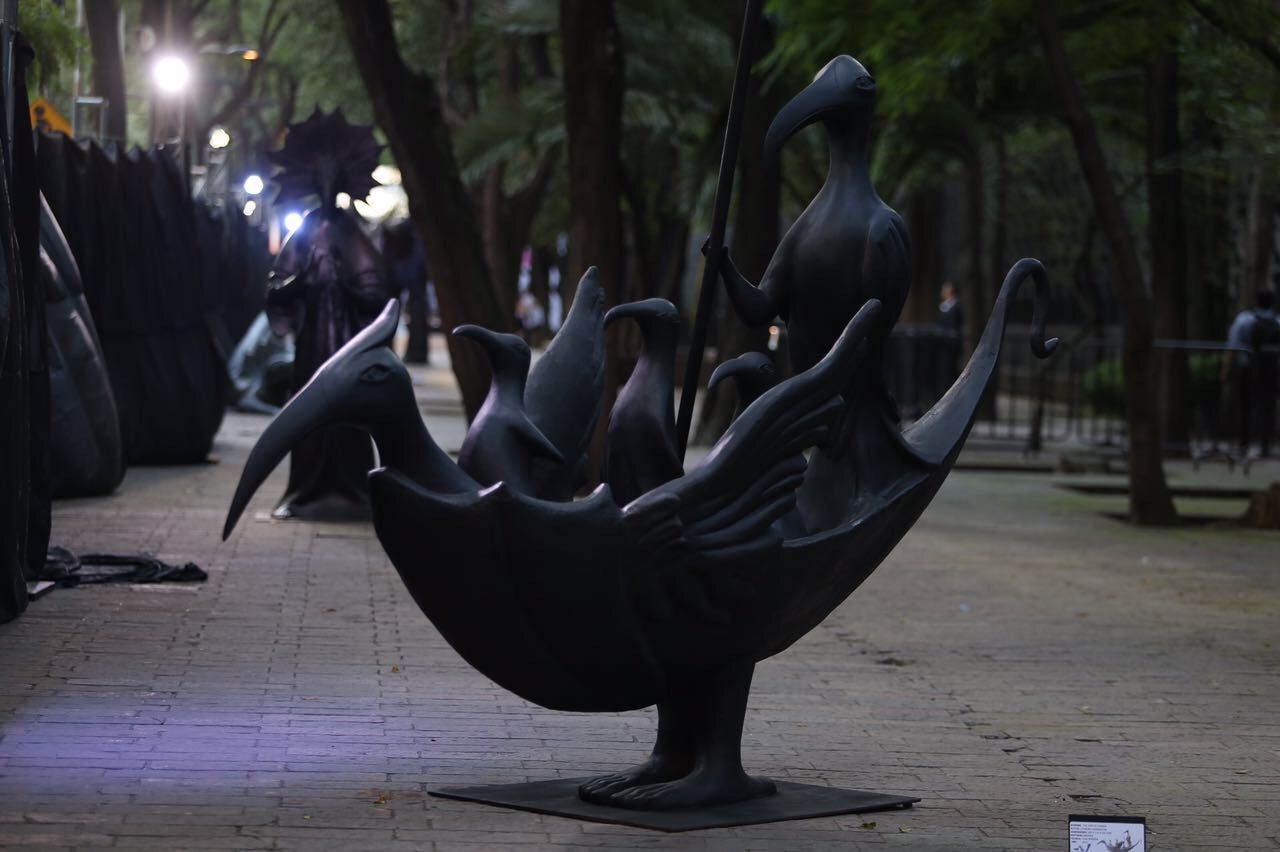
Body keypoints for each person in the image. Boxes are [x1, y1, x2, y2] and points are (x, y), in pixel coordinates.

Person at [1224, 290, 1279, 457]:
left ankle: (1243, 444)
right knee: (1268, 408)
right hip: (1271, 370)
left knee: (1244, 407)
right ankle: (1265, 445)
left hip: (1247, 368)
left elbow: (1232, 346)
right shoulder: (1277, 321)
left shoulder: (1245, 319)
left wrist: (1225, 370)